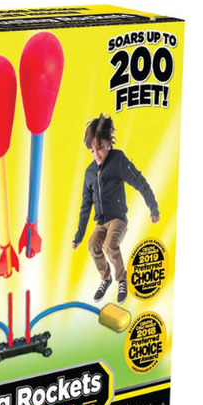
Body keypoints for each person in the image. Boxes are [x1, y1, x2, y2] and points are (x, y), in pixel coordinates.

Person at [72, 114, 159, 304]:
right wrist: (79, 235)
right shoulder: (89, 173)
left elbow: (138, 181)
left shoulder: (118, 160)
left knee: (110, 244)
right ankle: (106, 278)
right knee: (93, 244)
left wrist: (153, 207)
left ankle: (121, 280)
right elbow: (85, 206)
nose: (96, 154)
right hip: (101, 222)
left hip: (118, 219)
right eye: (92, 150)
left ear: (109, 142)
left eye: (100, 148)